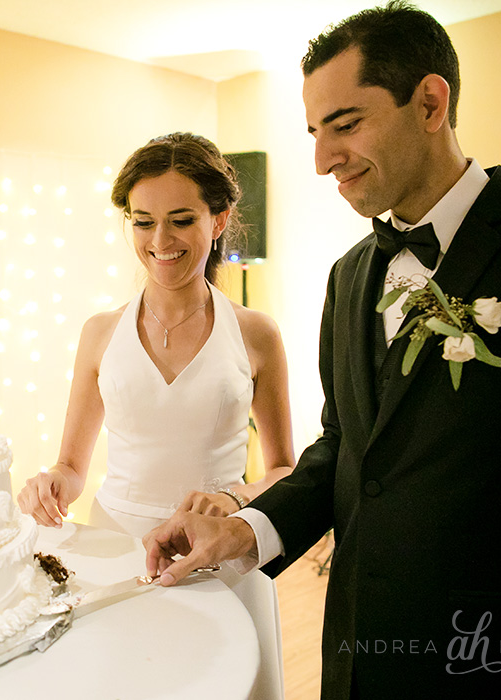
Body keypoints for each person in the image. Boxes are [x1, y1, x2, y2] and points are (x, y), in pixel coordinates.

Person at [144, 3, 501, 699]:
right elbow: (345, 452)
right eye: (313, 132)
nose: (320, 160)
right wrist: (245, 531)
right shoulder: (349, 275)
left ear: (430, 102)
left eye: (346, 124)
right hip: (359, 663)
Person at [16, 132, 296, 699]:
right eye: (143, 222)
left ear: (218, 221)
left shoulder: (256, 333)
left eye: (180, 219)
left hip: (215, 553)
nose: (160, 240)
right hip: (116, 553)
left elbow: (286, 469)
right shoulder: (99, 333)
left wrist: (238, 499)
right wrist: (51, 484)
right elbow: (71, 465)